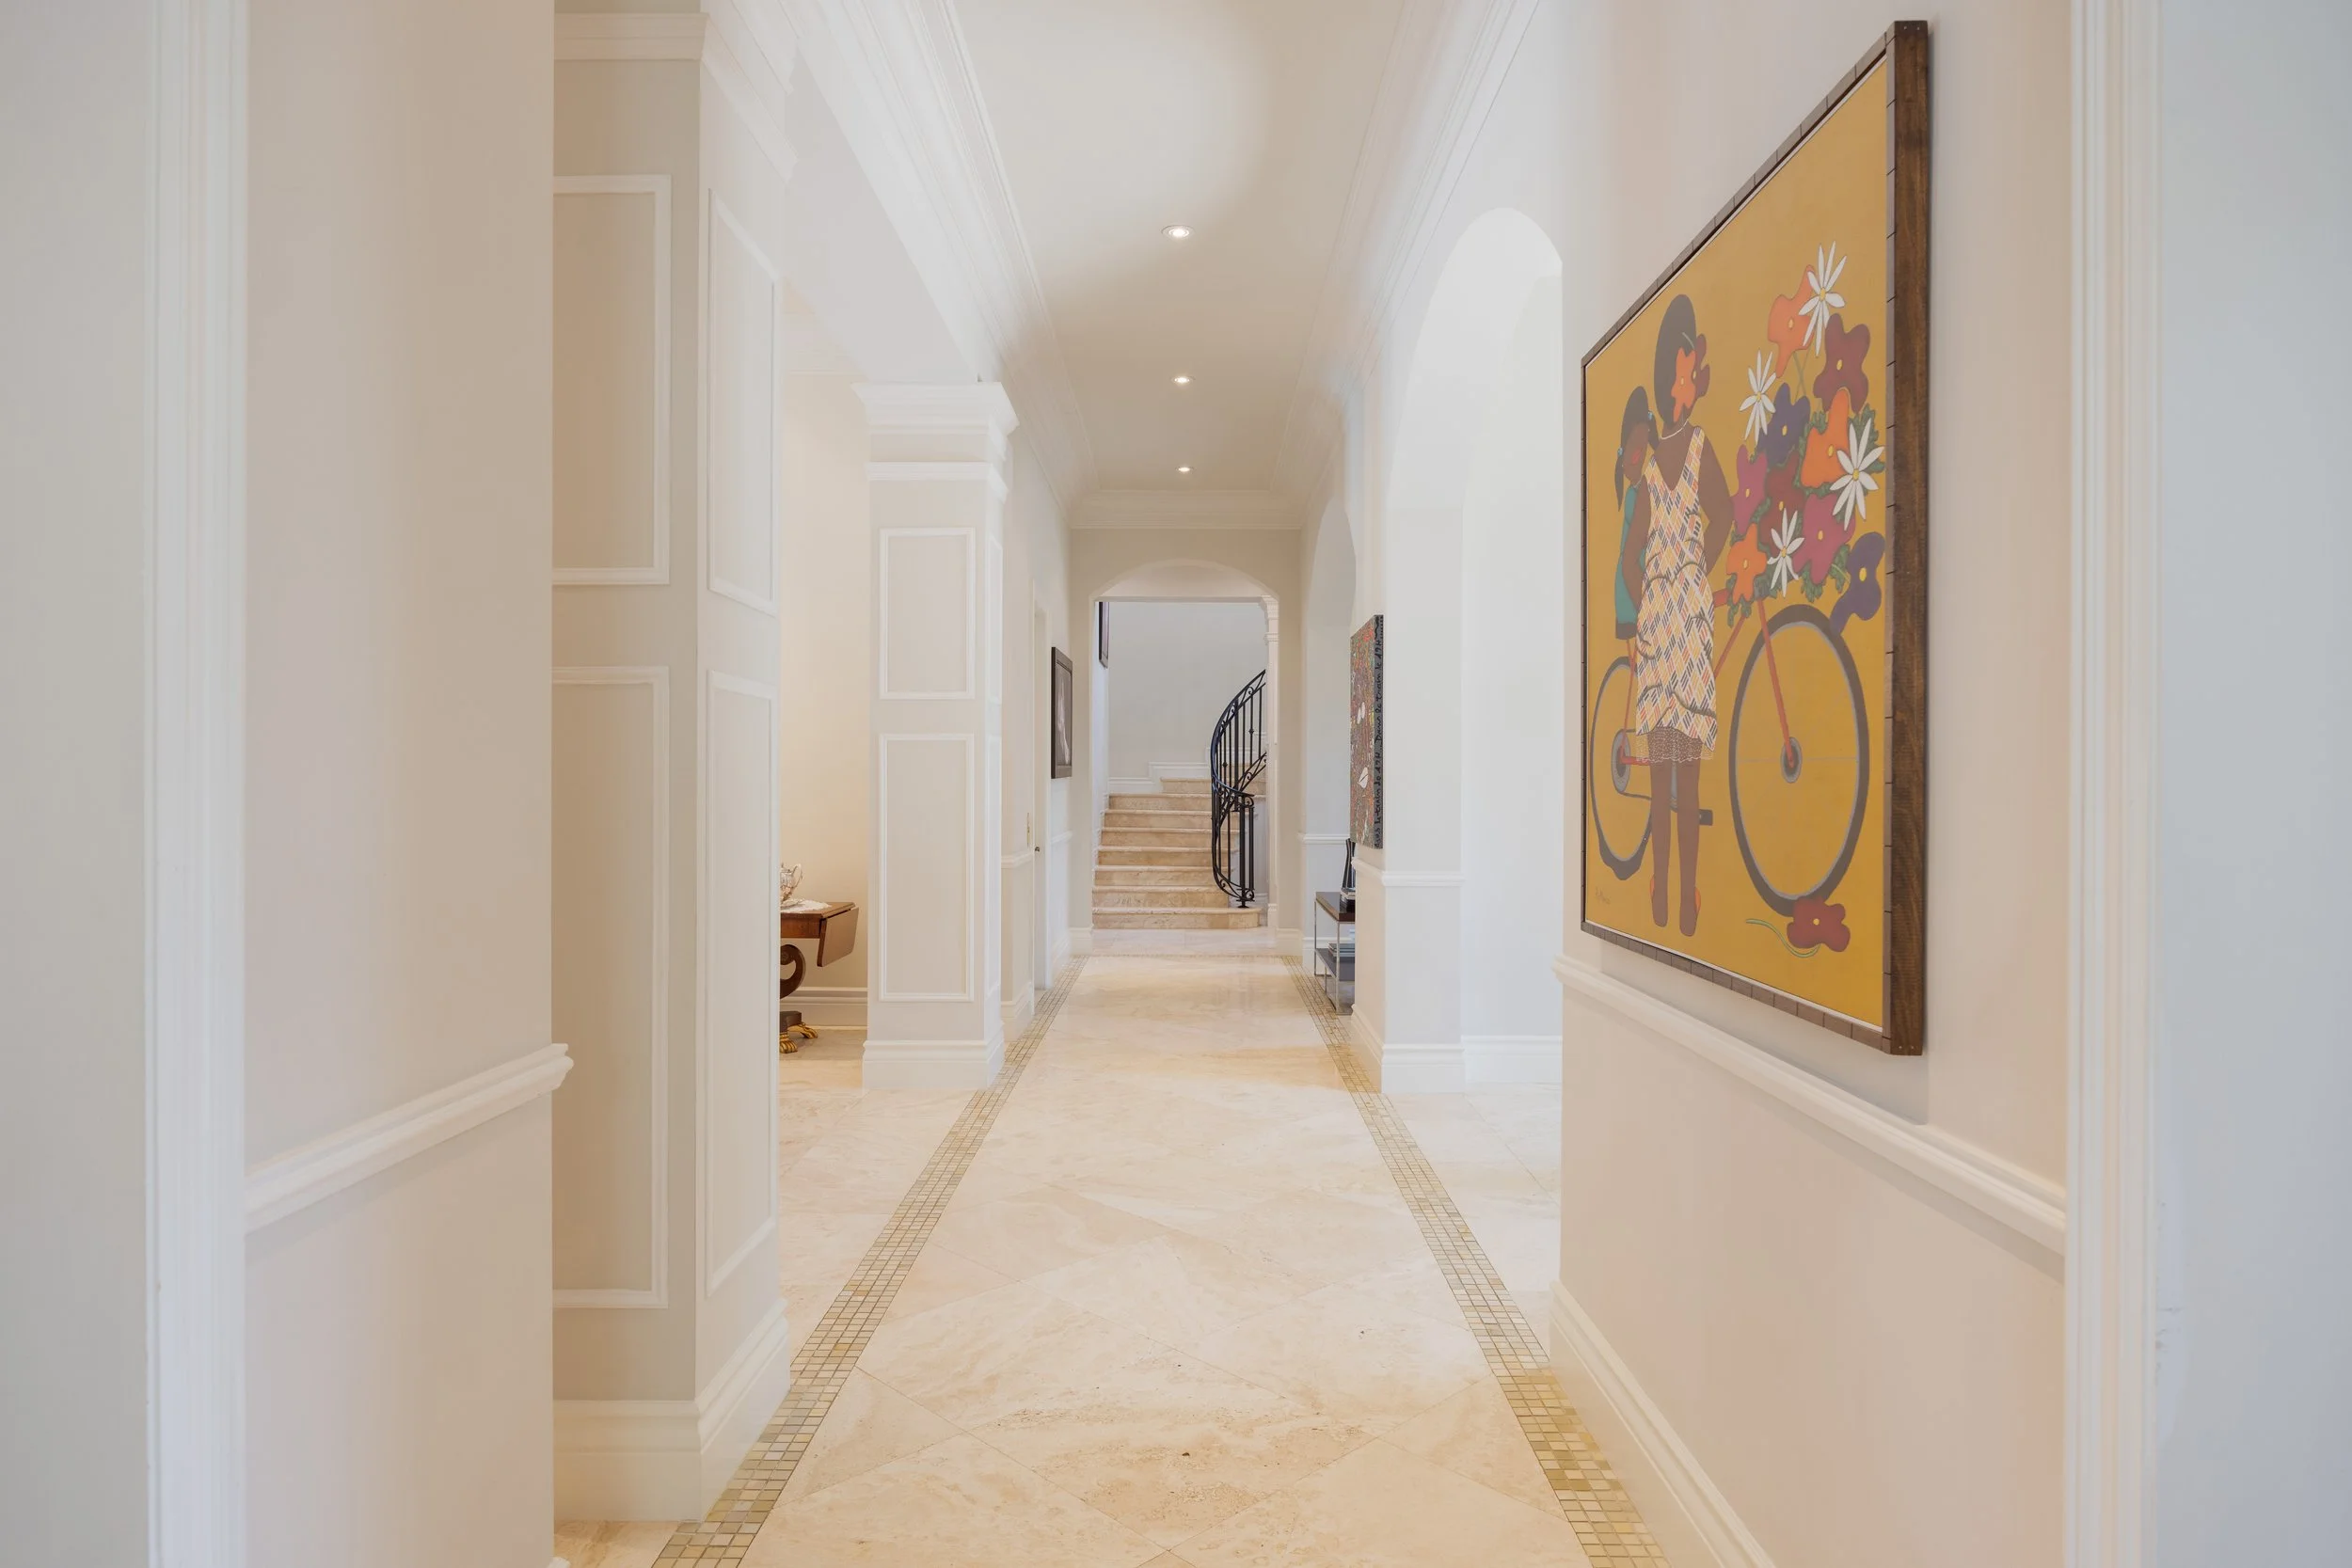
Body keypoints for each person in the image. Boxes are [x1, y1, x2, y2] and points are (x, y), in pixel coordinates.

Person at [1617, 295, 1734, 936]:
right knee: (1676, 771)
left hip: (1672, 617)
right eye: (1685, 373)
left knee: (1673, 770)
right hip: (1680, 616)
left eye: (1690, 374)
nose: (1689, 383)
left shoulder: (1678, 460)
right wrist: (1688, 575)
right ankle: (1674, 889)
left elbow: (1635, 555)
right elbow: (1722, 515)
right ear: (1671, 382)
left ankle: (1673, 889)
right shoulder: (1677, 459)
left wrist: (1665, 590)